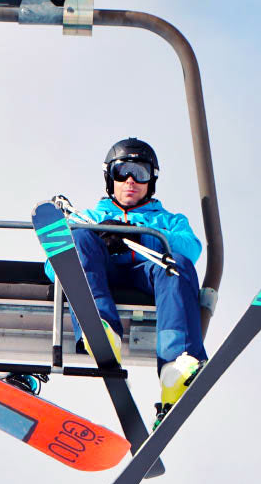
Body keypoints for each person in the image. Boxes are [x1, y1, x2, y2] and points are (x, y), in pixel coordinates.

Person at [46, 137, 207, 428]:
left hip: (146, 271)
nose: (131, 181)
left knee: (178, 265)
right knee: (79, 237)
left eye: (140, 173)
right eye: (123, 172)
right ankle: (102, 327)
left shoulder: (169, 220)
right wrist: (97, 237)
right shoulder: (90, 217)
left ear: (151, 181)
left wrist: (140, 234)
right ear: (110, 178)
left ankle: (176, 366)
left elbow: (191, 250)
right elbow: (55, 265)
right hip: (102, 273)